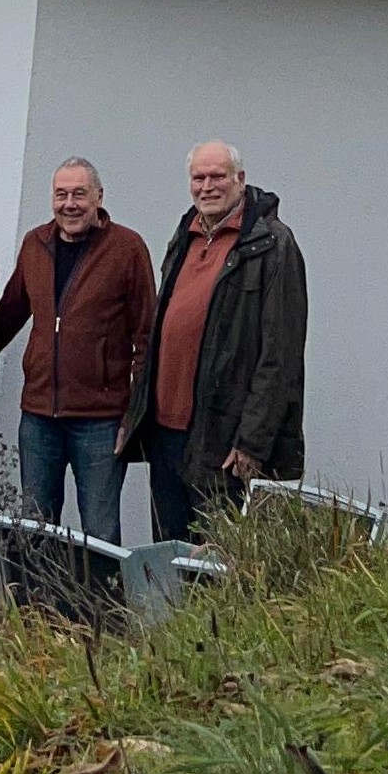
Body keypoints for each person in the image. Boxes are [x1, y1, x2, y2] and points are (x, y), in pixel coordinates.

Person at [120, 140, 307, 541]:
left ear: (240, 179)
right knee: (169, 553)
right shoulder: (185, 234)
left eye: (217, 176)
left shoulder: (272, 245)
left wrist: (252, 444)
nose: (207, 186)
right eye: (198, 177)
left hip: (223, 441)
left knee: (217, 564)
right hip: (166, 434)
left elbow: (280, 355)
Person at [0, 158, 156, 543]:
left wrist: (131, 418)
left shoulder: (127, 248)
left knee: (99, 532)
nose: (70, 204)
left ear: (98, 197)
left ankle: (99, 605)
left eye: (79, 194)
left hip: (99, 421)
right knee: (34, 527)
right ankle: (37, 605)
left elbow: (147, 339)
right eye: (61, 194)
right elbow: (7, 317)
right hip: (38, 417)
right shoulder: (35, 243)